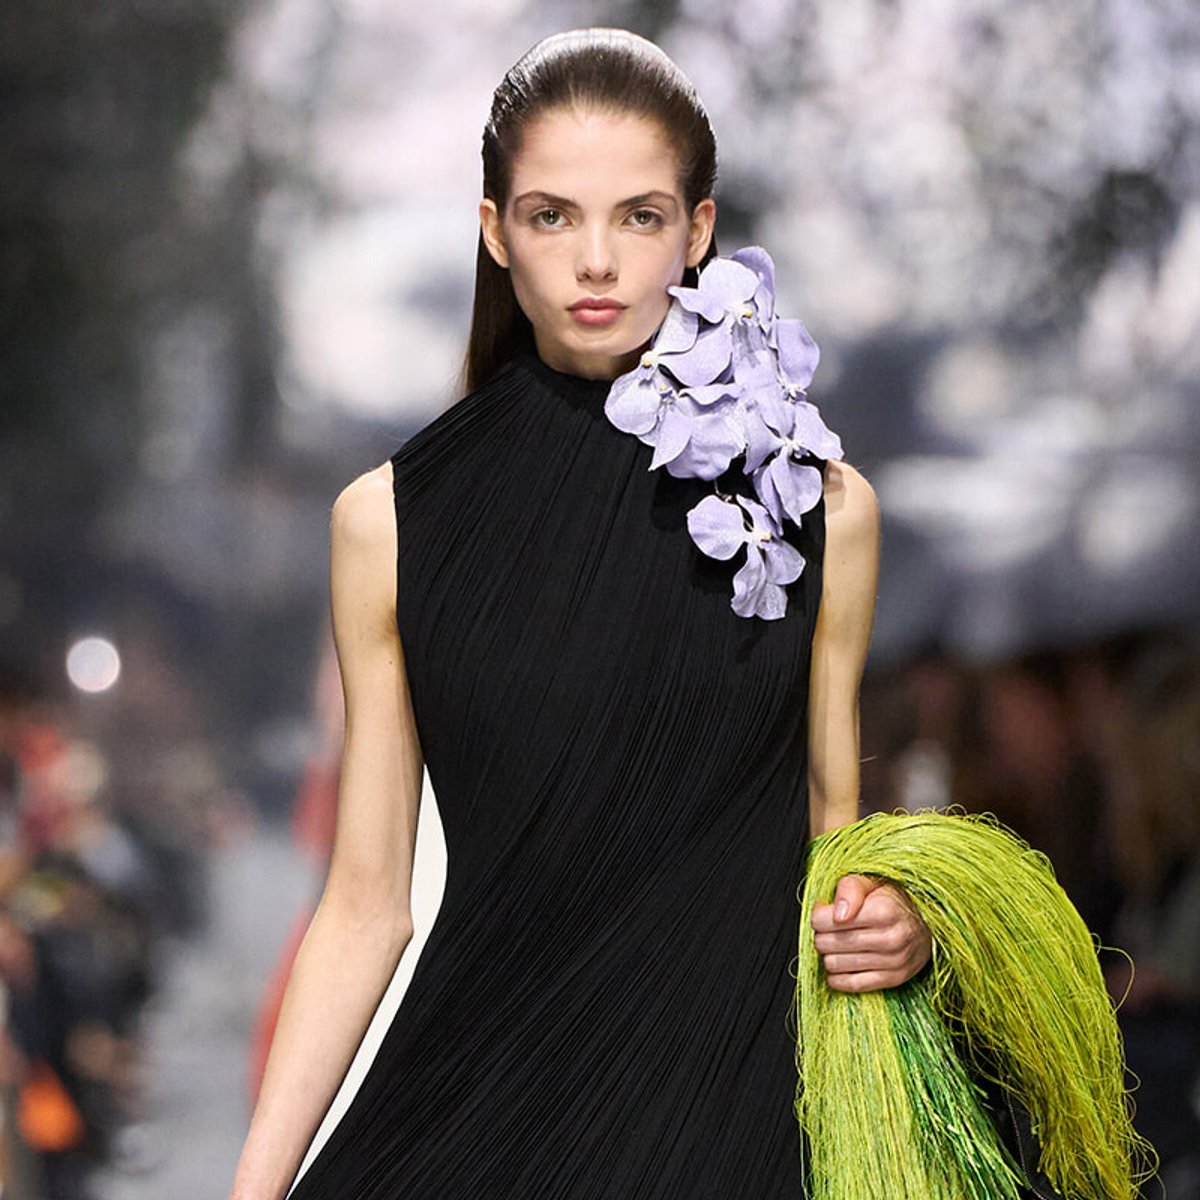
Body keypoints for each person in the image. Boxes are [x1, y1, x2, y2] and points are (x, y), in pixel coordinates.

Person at [229, 27, 931, 1200]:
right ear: (496, 229)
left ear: (699, 231)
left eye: (641, 216)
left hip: (739, 1122)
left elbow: (834, 841)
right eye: (553, 216)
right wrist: (254, 1185)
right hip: (477, 1112)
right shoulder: (389, 523)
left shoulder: (819, 514)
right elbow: (365, 904)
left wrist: (890, 931)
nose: (596, 260)